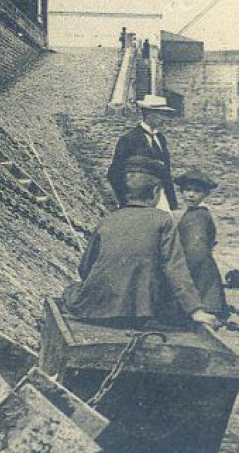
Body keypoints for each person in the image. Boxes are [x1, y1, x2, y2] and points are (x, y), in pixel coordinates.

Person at [64, 160, 216, 329]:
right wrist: (195, 310)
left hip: (97, 306)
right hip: (142, 309)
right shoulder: (163, 220)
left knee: (69, 292)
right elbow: (175, 267)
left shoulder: (108, 220)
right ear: (156, 192)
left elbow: (85, 268)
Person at [108, 94, 179, 209]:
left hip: (160, 199)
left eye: (165, 114)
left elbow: (166, 172)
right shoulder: (129, 139)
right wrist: (125, 200)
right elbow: (114, 173)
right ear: (148, 114)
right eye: (160, 114)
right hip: (138, 202)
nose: (164, 119)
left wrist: (172, 203)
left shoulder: (160, 138)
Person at [173, 170, 227, 321]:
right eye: (187, 190)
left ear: (205, 194)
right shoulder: (192, 213)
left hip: (198, 269)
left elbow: (195, 249)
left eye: (197, 191)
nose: (191, 195)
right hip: (202, 267)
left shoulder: (198, 216)